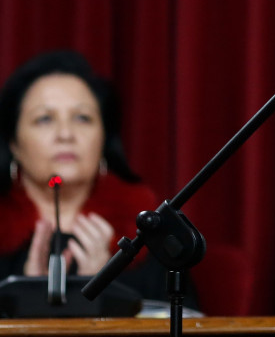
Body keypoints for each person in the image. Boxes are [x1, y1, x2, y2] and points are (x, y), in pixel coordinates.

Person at [0, 50, 194, 307]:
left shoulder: (146, 229)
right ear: (14, 143)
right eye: (44, 119)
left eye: (83, 118)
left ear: (104, 138)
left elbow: (185, 318)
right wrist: (24, 299)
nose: (66, 134)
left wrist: (108, 291)